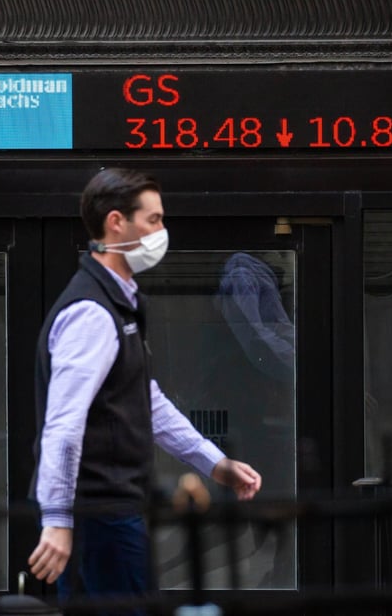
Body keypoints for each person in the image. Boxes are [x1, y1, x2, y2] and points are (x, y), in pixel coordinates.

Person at [28, 168, 262, 612]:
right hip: (99, 515)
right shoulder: (92, 314)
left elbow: (146, 402)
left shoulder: (121, 304)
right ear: (116, 222)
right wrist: (57, 519)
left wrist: (214, 463)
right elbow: (63, 424)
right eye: (153, 220)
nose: (161, 231)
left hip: (114, 511)